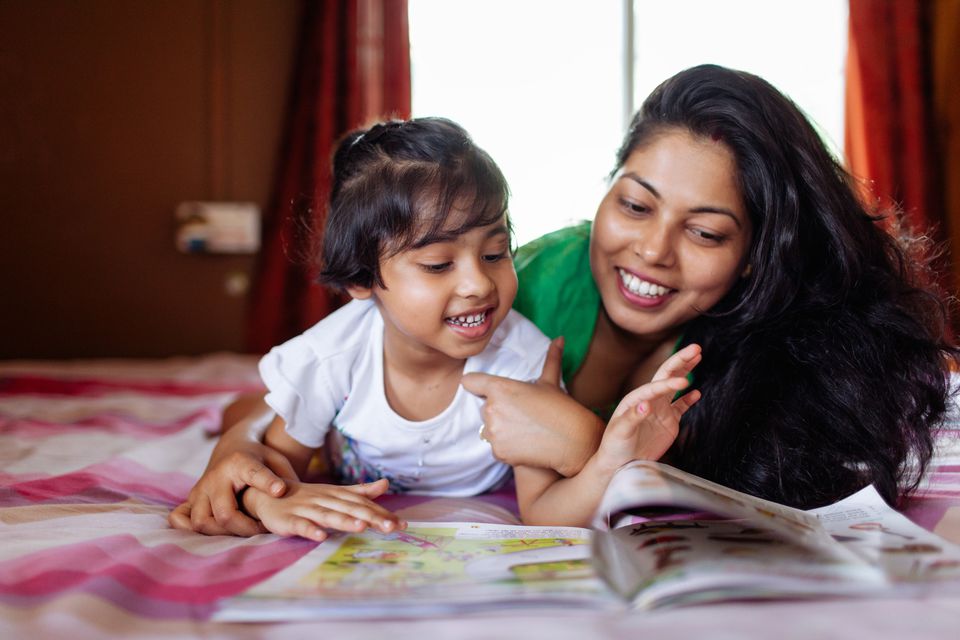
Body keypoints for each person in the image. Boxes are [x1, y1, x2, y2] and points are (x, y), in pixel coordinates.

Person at [171, 64, 957, 537]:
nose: (650, 251)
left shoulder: (757, 356)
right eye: (636, 204)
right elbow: (303, 394)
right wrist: (244, 455)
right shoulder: (528, 286)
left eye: (707, 232)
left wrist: (582, 439)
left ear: (758, 258)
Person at [169, 116, 700, 538]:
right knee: (258, 414)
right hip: (340, 449)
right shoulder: (333, 355)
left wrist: (610, 460)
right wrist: (272, 498)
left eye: (495, 253)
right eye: (438, 265)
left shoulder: (522, 360)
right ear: (362, 279)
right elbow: (276, 465)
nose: (478, 284)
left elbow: (544, 510)